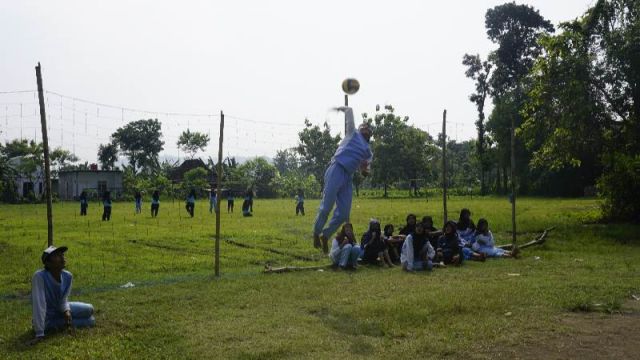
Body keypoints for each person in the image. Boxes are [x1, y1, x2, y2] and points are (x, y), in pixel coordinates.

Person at [313, 106, 373, 254]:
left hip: (348, 176)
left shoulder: (368, 151)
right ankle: (316, 232)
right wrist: (340, 108)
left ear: (370, 133)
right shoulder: (353, 133)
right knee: (327, 206)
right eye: (363, 126)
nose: (365, 127)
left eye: (368, 127)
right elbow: (350, 112)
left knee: (344, 213)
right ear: (359, 129)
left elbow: (365, 168)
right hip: (337, 168)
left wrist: (365, 171)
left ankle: (325, 235)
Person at [30, 245, 95, 344]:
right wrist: (39, 332)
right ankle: (45, 325)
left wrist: (66, 310)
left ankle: (63, 320)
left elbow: (63, 300)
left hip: (59, 310)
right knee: (90, 321)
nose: (62, 257)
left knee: (90, 309)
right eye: (57, 255)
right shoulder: (39, 277)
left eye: (62, 255)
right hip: (47, 319)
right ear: (48, 263)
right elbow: (39, 304)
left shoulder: (68, 276)